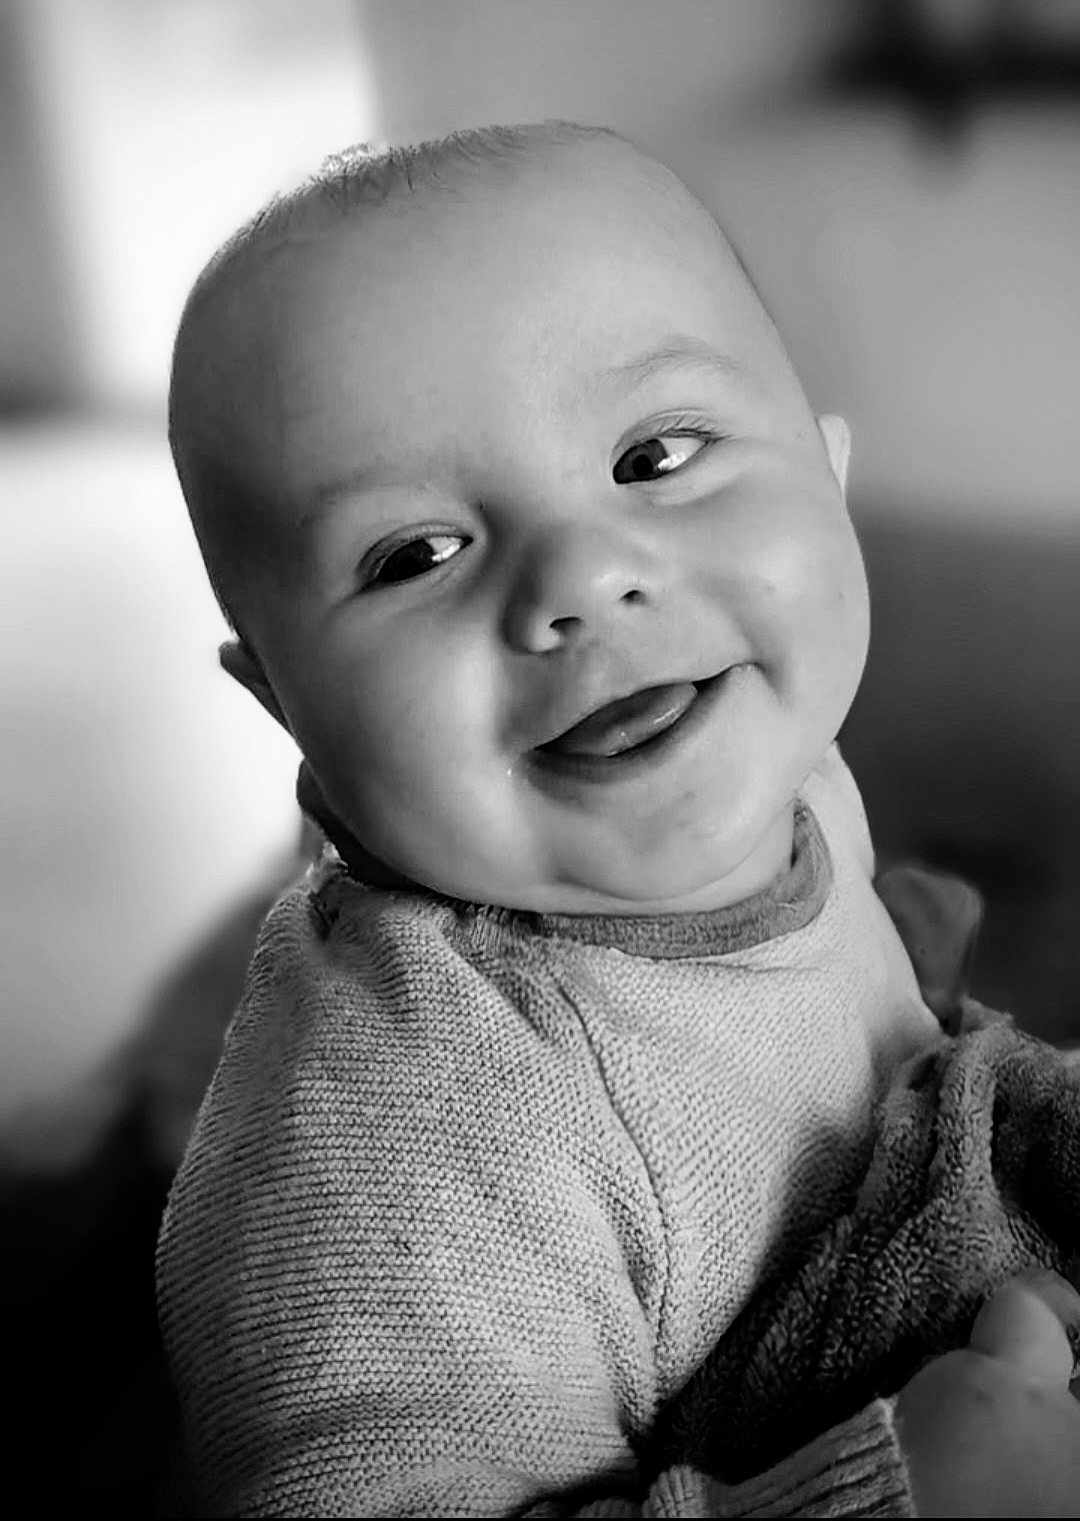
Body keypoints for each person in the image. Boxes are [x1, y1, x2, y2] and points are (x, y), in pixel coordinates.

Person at [157, 120, 1080, 1516]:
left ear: (828, 480)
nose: (582, 576)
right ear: (283, 703)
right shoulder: (397, 1143)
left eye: (656, 456)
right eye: (413, 554)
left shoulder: (755, 748)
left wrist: (911, 1001)